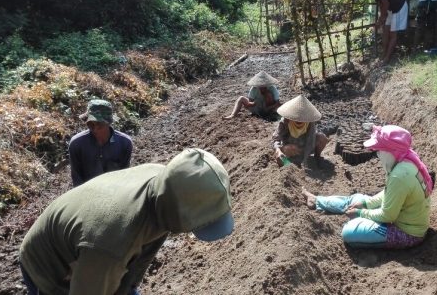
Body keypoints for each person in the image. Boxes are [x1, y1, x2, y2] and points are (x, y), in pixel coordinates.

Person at [19, 148, 234, 295]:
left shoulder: (167, 185)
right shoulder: (111, 246)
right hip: (48, 264)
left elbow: (144, 251)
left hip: (92, 248)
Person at [301, 125, 432, 249]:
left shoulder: (399, 176)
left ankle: (356, 221)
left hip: (407, 233)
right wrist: (365, 203)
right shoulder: (405, 161)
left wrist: (360, 213)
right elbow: (388, 194)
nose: (378, 155)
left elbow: (387, 216)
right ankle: (317, 201)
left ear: (390, 152)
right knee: (357, 199)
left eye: (379, 151)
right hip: (400, 216)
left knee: (349, 231)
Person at [69, 99, 133, 187]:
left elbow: (124, 177)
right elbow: (77, 180)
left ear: (108, 123)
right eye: (90, 124)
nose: (95, 128)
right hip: (87, 193)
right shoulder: (77, 144)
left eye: (99, 124)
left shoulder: (124, 143)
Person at [355, 0, 408, 65]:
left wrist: (382, 19)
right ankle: (384, 54)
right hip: (391, 10)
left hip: (399, 8)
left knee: (393, 34)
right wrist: (380, 19)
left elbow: (386, 4)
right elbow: (381, 5)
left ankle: (387, 58)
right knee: (386, 32)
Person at [272, 95, 330, 168]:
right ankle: (288, 160)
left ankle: (317, 157)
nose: (299, 120)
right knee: (288, 150)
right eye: (297, 118)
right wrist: (278, 150)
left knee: (322, 138)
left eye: (301, 119)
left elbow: (309, 143)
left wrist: (305, 160)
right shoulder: (285, 122)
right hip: (290, 147)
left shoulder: (309, 123)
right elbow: (276, 138)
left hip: (303, 148)